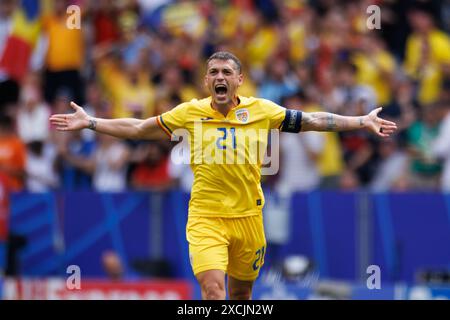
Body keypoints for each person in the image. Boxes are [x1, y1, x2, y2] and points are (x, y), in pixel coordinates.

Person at [50, 51, 397, 300]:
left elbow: (312, 120)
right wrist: (92, 122)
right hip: (206, 218)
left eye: (226, 72)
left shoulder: (262, 111)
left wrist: (361, 122)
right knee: (214, 290)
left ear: (239, 80)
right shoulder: (190, 113)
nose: (219, 77)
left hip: (248, 217)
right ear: (205, 80)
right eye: (213, 72)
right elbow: (140, 128)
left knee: (241, 294)